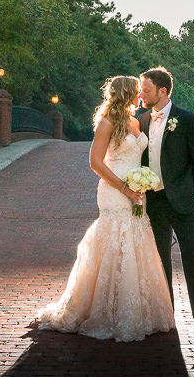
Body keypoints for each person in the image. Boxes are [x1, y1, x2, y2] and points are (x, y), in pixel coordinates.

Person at [34, 76, 175, 342]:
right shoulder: (107, 123)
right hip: (114, 190)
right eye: (137, 92)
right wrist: (125, 188)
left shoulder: (136, 121)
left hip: (137, 192)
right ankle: (103, 310)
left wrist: (142, 184)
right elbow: (95, 163)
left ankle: (135, 309)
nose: (141, 96)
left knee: (135, 241)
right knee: (114, 240)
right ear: (127, 94)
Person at [138, 66, 194, 336]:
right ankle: (166, 316)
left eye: (145, 89)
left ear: (163, 91)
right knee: (159, 260)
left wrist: (193, 193)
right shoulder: (139, 119)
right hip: (153, 203)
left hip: (184, 203)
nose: (141, 94)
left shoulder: (189, 120)